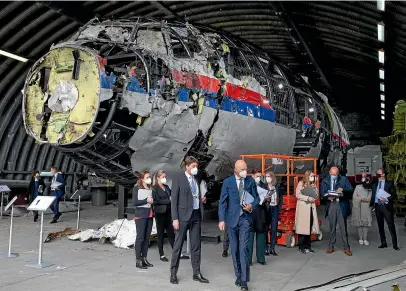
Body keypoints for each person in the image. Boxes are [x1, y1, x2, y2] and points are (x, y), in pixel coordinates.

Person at [218, 160, 260, 291]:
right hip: (231, 220)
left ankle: (243, 281)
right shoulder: (228, 182)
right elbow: (222, 202)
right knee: (235, 249)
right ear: (236, 170)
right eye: (242, 169)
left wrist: (251, 206)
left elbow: (257, 198)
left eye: (246, 169)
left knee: (243, 249)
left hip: (245, 219)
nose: (245, 171)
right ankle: (238, 274)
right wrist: (221, 220)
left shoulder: (250, 181)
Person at [170, 156, 208, 285]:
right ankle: (173, 273)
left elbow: (194, 196)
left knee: (196, 245)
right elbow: (174, 200)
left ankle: (196, 273)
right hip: (182, 217)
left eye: (196, 167)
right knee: (178, 245)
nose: (195, 169)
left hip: (196, 215)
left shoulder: (195, 179)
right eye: (193, 167)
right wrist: (175, 218)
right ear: (187, 166)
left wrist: (201, 200)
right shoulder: (178, 178)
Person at [321, 166, 353, 256]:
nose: (334, 176)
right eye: (333, 174)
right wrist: (327, 196)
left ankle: (346, 248)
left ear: (338, 173)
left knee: (343, 228)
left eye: (336, 174)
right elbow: (322, 193)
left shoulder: (343, 179)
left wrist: (343, 190)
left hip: (341, 205)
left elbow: (350, 189)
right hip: (331, 205)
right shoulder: (325, 180)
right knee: (332, 227)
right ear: (330, 173)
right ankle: (331, 246)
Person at [371, 168, 399, 250]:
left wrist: (387, 199)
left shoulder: (390, 183)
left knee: (391, 225)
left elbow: (394, 195)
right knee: (380, 225)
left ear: (383, 174)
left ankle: (395, 244)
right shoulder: (374, 184)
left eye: (379, 173)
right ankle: (383, 243)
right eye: (377, 174)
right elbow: (366, 185)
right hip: (377, 206)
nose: (378, 175)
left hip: (386, 206)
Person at [133, 171, 154, 269]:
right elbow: (135, 202)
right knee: (140, 238)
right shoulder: (137, 188)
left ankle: (144, 258)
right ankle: (138, 260)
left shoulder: (150, 188)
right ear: (141, 179)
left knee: (146, 238)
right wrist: (146, 200)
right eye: (147, 177)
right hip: (141, 216)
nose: (149, 178)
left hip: (149, 215)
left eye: (149, 177)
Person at [152, 170, 175, 262]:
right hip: (160, 214)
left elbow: (172, 196)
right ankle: (161, 254)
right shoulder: (154, 188)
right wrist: (168, 200)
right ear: (158, 178)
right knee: (160, 234)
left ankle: (176, 252)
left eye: (165, 177)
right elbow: (156, 201)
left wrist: (169, 200)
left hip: (169, 213)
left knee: (171, 233)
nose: (165, 179)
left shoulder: (167, 187)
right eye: (163, 177)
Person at [295, 171, 320, 253]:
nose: (312, 177)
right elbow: (298, 194)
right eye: (311, 176)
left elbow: (316, 195)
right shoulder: (301, 183)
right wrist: (307, 198)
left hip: (311, 208)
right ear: (307, 176)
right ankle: (301, 247)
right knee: (302, 227)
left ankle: (308, 246)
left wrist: (315, 190)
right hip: (303, 208)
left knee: (309, 226)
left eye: (313, 176)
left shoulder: (313, 184)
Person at [248, 169, 267, 266]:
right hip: (251, 212)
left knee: (261, 236)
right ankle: (248, 260)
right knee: (249, 237)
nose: (258, 178)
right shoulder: (248, 184)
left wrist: (266, 198)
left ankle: (261, 258)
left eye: (260, 176)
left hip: (260, 212)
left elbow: (266, 196)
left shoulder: (263, 185)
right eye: (257, 176)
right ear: (252, 175)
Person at [351, 172, 372, 246]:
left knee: (365, 224)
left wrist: (366, 200)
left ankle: (365, 239)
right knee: (359, 224)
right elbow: (354, 197)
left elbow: (370, 197)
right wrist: (360, 198)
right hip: (358, 207)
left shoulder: (369, 188)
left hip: (366, 207)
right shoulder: (357, 187)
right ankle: (360, 238)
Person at [264, 171, 280, 256]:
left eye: (269, 176)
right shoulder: (264, 187)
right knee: (266, 229)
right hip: (267, 208)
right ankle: (265, 248)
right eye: (266, 176)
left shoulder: (276, 186)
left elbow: (280, 197)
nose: (267, 178)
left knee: (274, 229)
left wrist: (279, 208)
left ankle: (272, 248)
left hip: (275, 208)